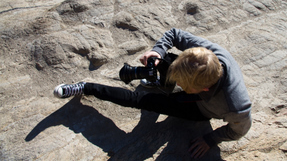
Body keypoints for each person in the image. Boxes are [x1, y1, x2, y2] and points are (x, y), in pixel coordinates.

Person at [54, 28, 252, 158]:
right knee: (165, 59)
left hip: (199, 109)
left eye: (181, 84)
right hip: (197, 82)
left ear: (203, 89)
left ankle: (86, 87)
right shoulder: (207, 56)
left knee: (140, 99)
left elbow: (239, 130)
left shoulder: (236, 106)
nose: (179, 84)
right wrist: (157, 52)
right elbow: (174, 34)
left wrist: (211, 139)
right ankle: (161, 81)